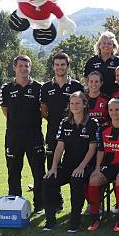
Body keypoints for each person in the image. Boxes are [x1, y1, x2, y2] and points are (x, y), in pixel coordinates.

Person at [42, 91, 99, 232]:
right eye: (72, 103)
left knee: (76, 180)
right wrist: (54, 167)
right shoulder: (64, 122)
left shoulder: (92, 123)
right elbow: (59, 147)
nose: (74, 106)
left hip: (85, 166)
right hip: (67, 166)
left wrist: (81, 167)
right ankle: (50, 221)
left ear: (85, 104)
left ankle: (75, 222)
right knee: (48, 180)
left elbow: (92, 149)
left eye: (78, 103)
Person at [0, 55, 46, 213]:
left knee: (38, 171)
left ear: (30, 68)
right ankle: (15, 204)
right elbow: (6, 112)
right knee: (13, 171)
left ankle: (40, 204)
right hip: (14, 137)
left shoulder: (39, 87)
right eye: (21, 66)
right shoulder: (6, 88)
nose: (24, 69)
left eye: (27, 66)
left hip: (34, 136)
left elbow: (43, 111)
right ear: (14, 68)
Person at [40, 52, 84, 209]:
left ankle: (79, 202)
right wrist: (54, 122)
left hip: (73, 133)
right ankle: (56, 202)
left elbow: (82, 108)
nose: (60, 67)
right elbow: (43, 110)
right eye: (57, 65)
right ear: (53, 66)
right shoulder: (45, 87)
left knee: (74, 164)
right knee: (52, 165)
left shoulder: (77, 86)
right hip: (52, 132)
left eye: (63, 64)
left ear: (67, 66)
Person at [87, 98, 119, 232]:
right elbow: (101, 150)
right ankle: (95, 217)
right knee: (94, 179)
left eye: (116, 109)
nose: (114, 112)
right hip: (108, 166)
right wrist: (97, 168)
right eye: (111, 110)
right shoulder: (104, 129)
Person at [83, 31, 119, 97]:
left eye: (109, 43)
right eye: (104, 43)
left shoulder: (118, 61)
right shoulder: (91, 61)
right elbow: (86, 79)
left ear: (113, 46)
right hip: (96, 97)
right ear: (99, 45)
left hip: (114, 96)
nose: (106, 46)